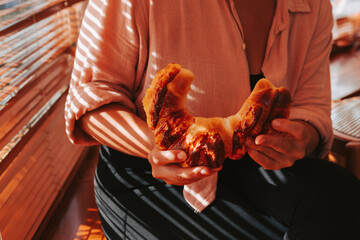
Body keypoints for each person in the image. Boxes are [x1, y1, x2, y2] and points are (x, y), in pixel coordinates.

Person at [65, 0, 360, 239]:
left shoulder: (314, 6)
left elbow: (312, 109)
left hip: (254, 166)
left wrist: (301, 138)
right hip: (147, 173)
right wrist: (155, 147)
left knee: (344, 198)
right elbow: (91, 97)